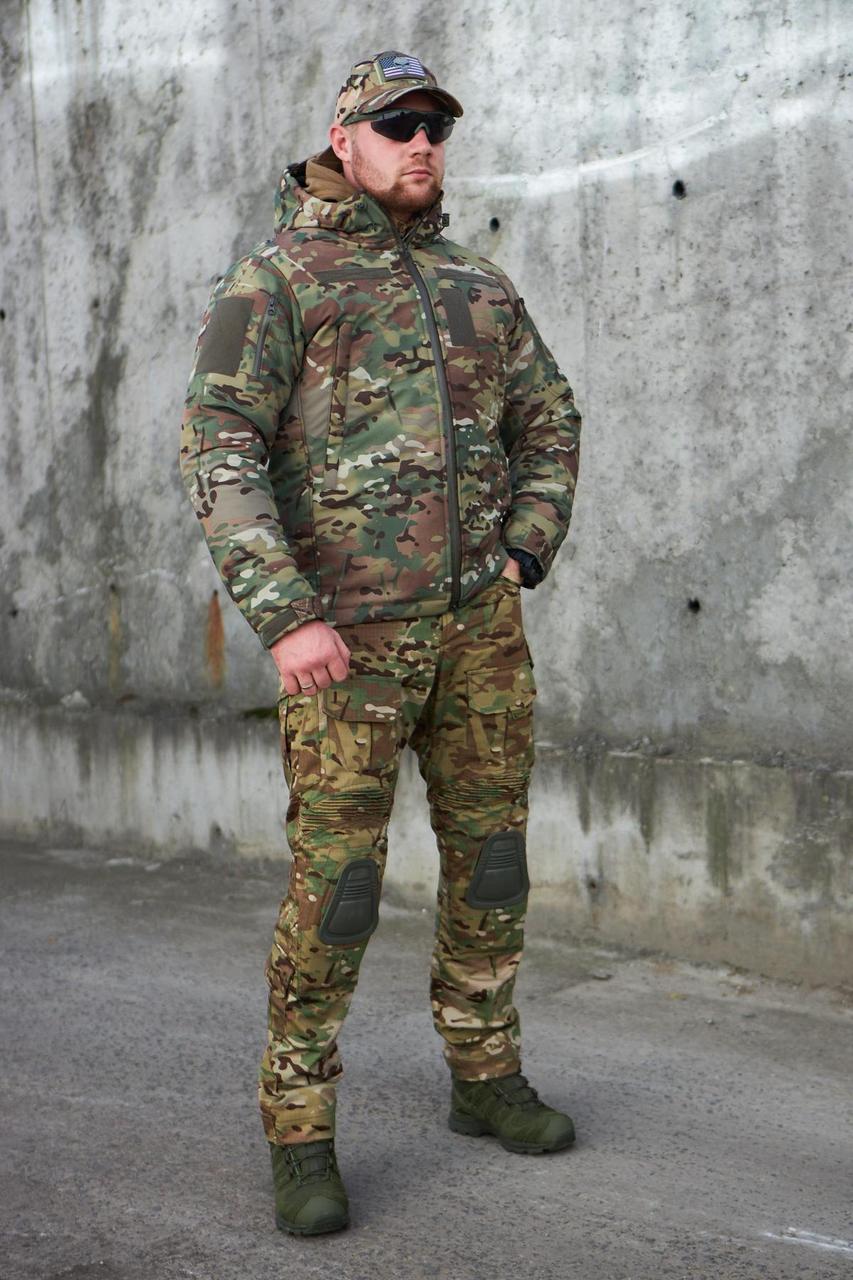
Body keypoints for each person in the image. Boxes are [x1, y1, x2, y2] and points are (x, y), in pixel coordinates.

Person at [179, 49, 582, 1237]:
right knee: (340, 889)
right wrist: (286, 612)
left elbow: (549, 418)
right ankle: (299, 1129)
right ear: (342, 137)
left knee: (492, 866)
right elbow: (218, 445)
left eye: (435, 128)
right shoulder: (278, 281)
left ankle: (484, 1071)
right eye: (398, 124)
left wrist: (524, 548)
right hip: (346, 645)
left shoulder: (477, 285)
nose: (421, 145)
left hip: (478, 636)